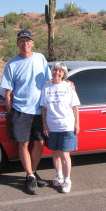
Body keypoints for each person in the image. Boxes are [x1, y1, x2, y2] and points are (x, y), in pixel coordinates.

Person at [0, 30, 51, 195]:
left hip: (39, 110)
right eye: (22, 41)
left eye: (28, 41)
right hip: (20, 110)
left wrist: (68, 82)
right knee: (23, 144)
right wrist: (11, 111)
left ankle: (33, 172)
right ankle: (29, 176)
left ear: (33, 43)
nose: (25, 44)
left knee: (39, 143)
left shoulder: (40, 58)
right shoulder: (12, 64)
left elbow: (50, 81)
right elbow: (8, 93)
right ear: (18, 44)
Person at [41, 62, 80, 193]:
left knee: (64, 154)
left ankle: (68, 180)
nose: (57, 73)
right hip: (52, 126)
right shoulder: (46, 87)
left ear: (64, 74)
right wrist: (45, 124)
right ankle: (59, 176)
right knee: (55, 153)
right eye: (55, 70)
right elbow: (43, 108)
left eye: (60, 71)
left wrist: (77, 124)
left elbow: (75, 107)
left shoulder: (68, 87)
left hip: (66, 125)